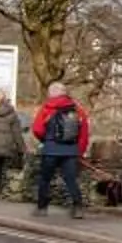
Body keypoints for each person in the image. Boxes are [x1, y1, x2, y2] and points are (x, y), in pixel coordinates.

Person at [30, 85, 89, 216]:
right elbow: (84, 133)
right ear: (64, 93)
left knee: (45, 179)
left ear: (52, 93)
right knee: (71, 179)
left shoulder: (46, 108)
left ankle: (42, 208)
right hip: (71, 151)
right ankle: (78, 208)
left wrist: (46, 141)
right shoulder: (78, 109)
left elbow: (37, 129)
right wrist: (79, 151)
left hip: (51, 149)